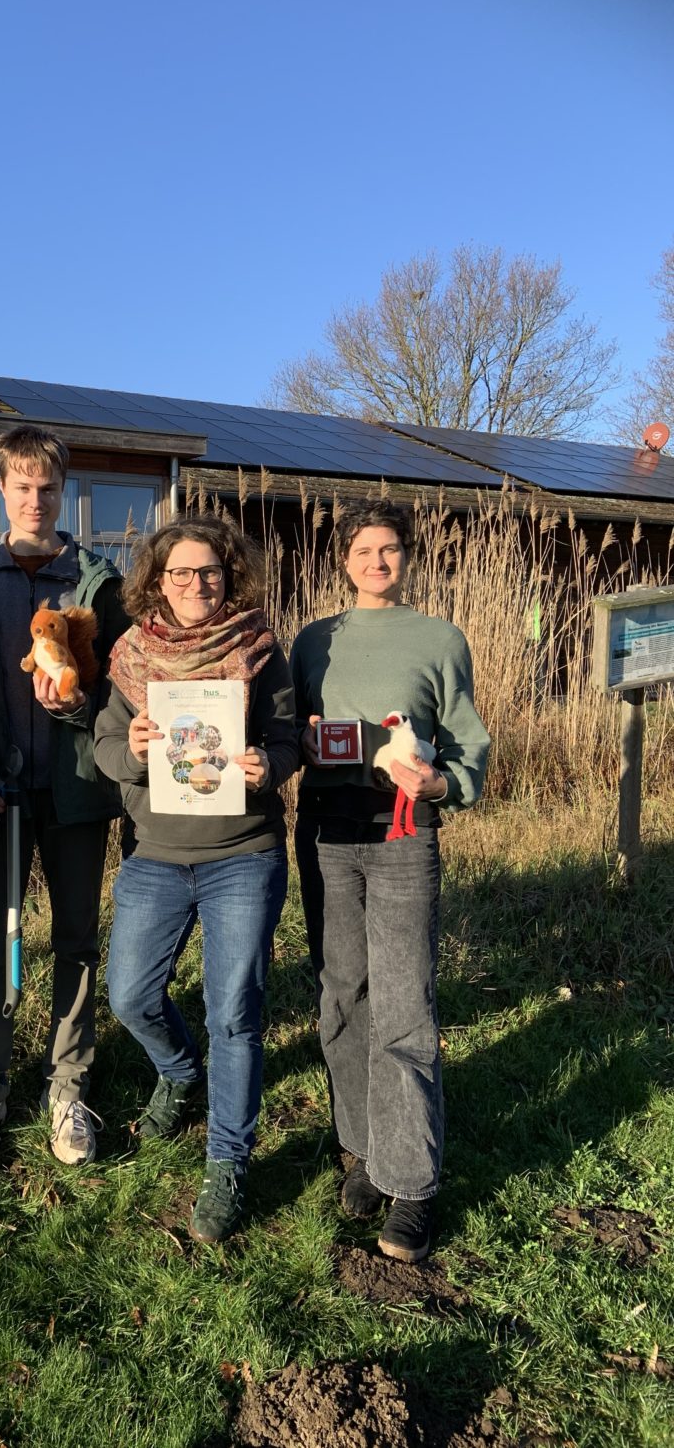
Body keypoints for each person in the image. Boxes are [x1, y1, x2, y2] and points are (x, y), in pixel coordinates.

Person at [288, 497, 490, 1263]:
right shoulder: (314, 642)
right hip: (327, 835)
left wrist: (442, 785)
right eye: (364, 549)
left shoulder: (439, 639)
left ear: (408, 556)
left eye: (391, 549)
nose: (378, 561)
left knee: (404, 1002)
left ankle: (412, 1181)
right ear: (343, 558)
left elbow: (470, 741)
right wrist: (298, 743)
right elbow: (288, 733)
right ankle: (363, 1146)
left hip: (405, 836)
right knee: (343, 993)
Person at [94, 517, 298, 1243]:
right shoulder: (133, 654)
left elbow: (287, 735)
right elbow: (105, 745)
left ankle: (227, 1160)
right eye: (180, 573)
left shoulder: (258, 647)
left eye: (208, 571)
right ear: (157, 579)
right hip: (155, 851)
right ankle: (179, 1072)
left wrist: (267, 765)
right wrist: (134, 746)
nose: (195, 585)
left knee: (234, 1009)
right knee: (129, 994)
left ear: (228, 574)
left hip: (242, 851)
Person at [0, 425, 130, 1172]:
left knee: (77, 941)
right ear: (2, 490)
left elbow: (119, 689)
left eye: (47, 486)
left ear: (62, 489)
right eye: (21, 485)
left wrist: (75, 710)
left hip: (78, 793)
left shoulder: (96, 583)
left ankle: (69, 1086)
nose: (34, 498)